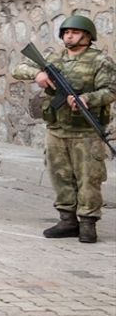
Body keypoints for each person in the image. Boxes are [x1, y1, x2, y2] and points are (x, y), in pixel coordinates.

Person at [12, 15, 114, 243]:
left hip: (85, 132)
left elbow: (110, 91)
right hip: (57, 129)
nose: (69, 36)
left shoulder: (100, 61)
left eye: (75, 32)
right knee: (60, 175)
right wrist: (37, 74)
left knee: (88, 178)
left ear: (87, 36)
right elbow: (18, 69)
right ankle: (67, 220)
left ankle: (87, 223)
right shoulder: (54, 58)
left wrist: (87, 98)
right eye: (66, 32)